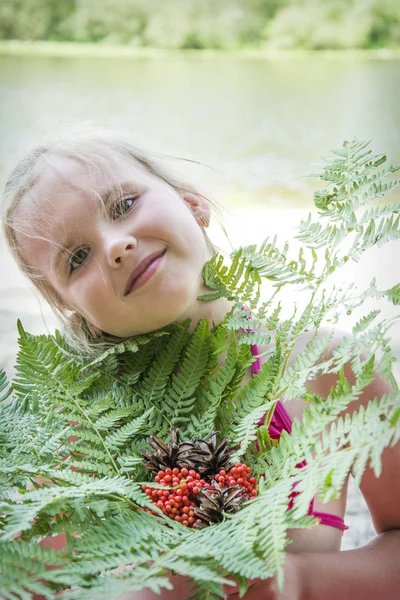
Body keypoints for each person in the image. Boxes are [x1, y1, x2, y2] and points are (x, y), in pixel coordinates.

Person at [2, 132, 400, 600]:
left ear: (193, 204)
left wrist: (296, 582)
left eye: (125, 204)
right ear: (72, 307)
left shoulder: (331, 370)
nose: (115, 245)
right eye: (77, 257)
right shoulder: (75, 437)